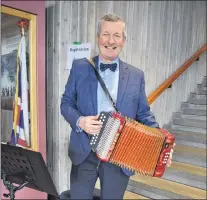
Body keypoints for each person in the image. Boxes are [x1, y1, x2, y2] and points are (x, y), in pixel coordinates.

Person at [60, 13, 174, 199]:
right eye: (105, 34)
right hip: (84, 151)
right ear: (98, 38)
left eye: (117, 35)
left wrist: (163, 147)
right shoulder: (80, 67)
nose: (110, 40)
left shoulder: (137, 76)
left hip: (120, 155)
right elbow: (66, 103)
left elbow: (144, 114)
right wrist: (80, 121)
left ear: (124, 41)